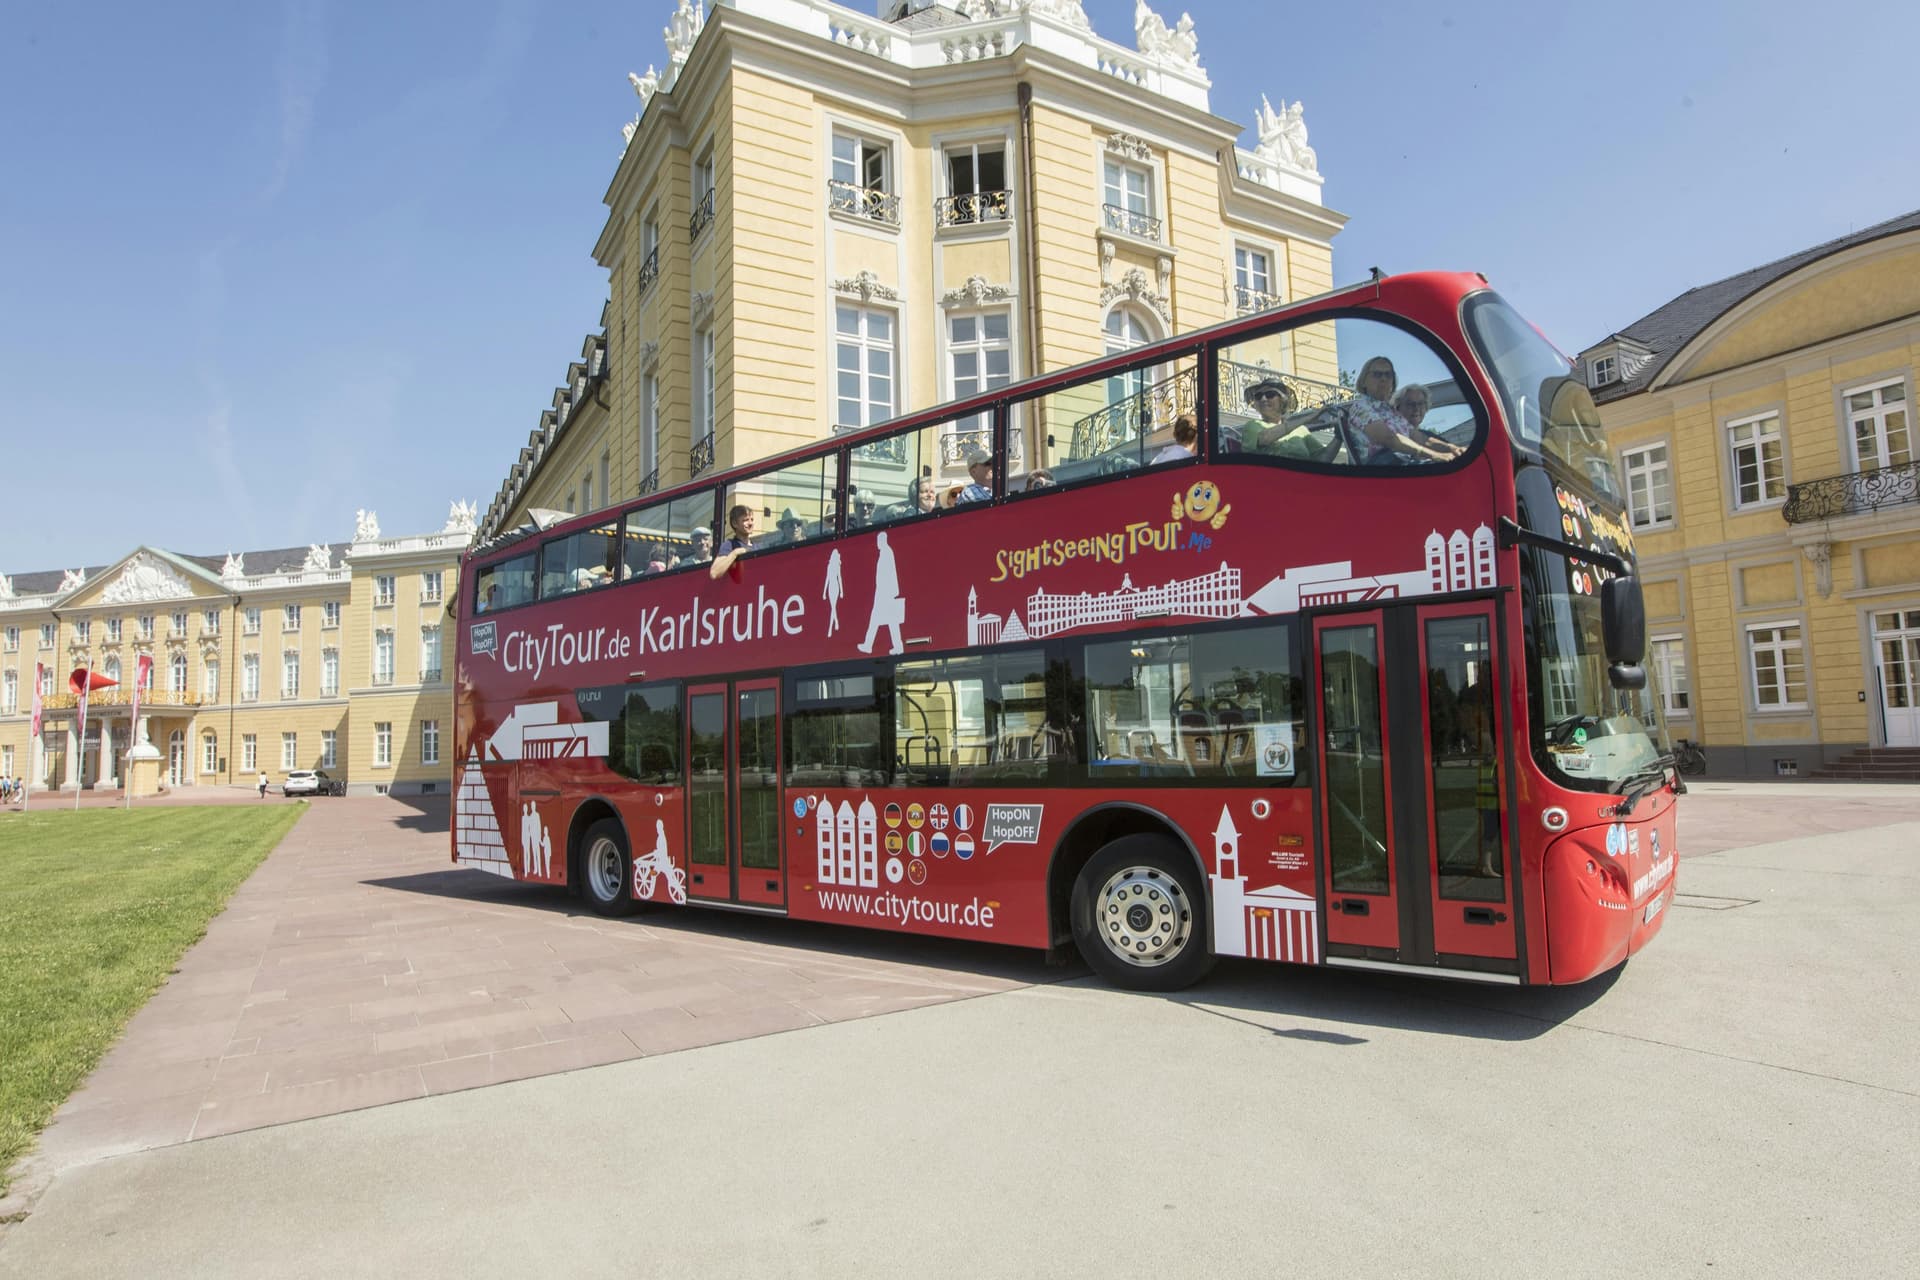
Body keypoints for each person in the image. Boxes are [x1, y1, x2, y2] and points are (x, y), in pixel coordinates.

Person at [1345, 357, 1459, 464]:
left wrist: (1453, 449)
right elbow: (1389, 439)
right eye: (1377, 374)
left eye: (1388, 375)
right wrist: (1433, 455)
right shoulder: (1361, 407)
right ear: (1364, 381)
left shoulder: (1391, 411)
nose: (1383, 379)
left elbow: (1420, 437)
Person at [1393, 385, 1465, 460]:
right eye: (1410, 403)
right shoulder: (1391, 433)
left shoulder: (1430, 436)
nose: (1416, 408)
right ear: (1397, 408)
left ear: (1426, 407)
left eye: (1420, 403)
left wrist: (1457, 450)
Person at [710, 505, 757, 579]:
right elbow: (714, 573)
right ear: (735, 523)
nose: (750, 523)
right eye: (745, 520)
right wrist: (735, 553)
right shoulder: (729, 545)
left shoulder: (758, 547)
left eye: (752, 519)